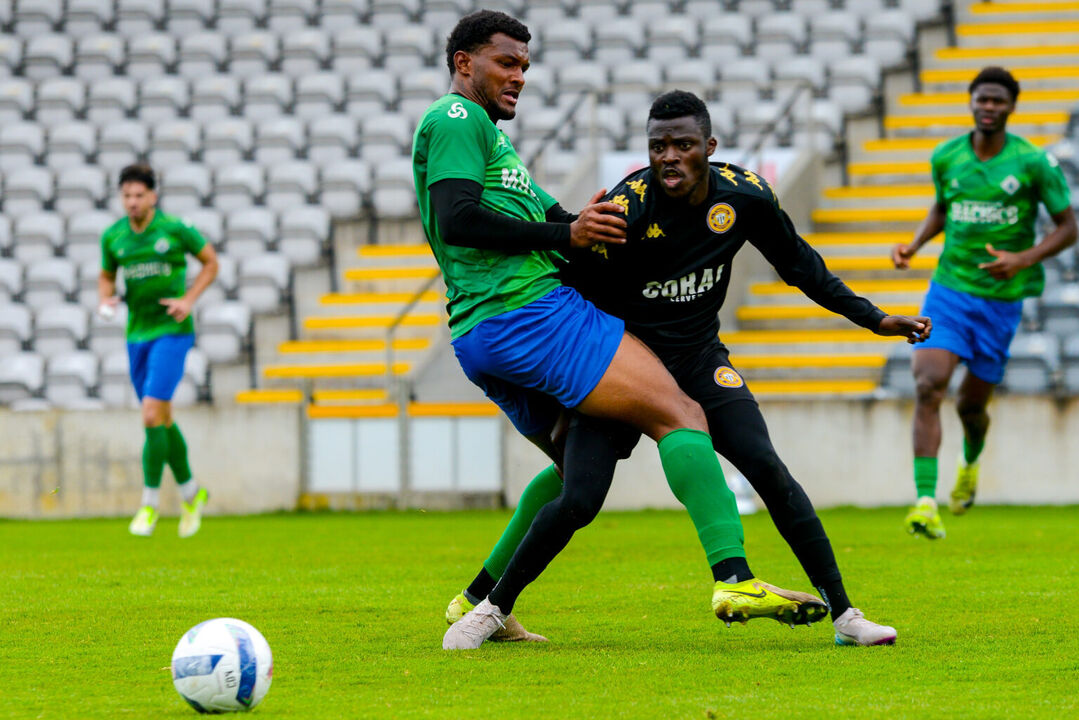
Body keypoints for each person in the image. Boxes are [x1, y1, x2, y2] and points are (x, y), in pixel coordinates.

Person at [444, 90, 931, 650]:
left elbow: (802, 267)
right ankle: (490, 608)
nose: (669, 156)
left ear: (710, 147)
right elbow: (570, 275)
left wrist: (874, 319)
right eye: (658, 146)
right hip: (622, 368)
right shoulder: (628, 209)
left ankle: (846, 616)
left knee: (768, 469)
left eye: (682, 145)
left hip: (700, 361)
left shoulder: (745, 198)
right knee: (578, 496)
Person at [413, 11, 829, 649]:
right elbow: (458, 217)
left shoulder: (488, 140)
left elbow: (549, 220)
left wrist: (584, 222)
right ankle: (734, 576)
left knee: (572, 473)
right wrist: (566, 233)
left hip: (480, 334)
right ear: (464, 63)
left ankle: (478, 603)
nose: (519, 75)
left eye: (525, 64)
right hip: (530, 313)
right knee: (682, 413)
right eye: (506, 62)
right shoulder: (456, 119)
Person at [892, 67, 1076, 540]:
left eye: (998, 100)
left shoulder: (1032, 163)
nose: (988, 107)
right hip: (949, 290)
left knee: (972, 407)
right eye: (982, 99)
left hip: (1000, 302)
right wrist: (914, 246)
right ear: (971, 102)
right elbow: (942, 206)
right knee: (929, 383)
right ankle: (925, 502)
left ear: (1011, 106)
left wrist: (1023, 258)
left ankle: (970, 458)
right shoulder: (947, 156)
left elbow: (1068, 226)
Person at [99, 164, 219, 538]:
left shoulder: (174, 229)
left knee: (150, 414)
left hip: (172, 331)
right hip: (137, 335)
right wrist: (105, 300)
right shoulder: (113, 237)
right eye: (127, 196)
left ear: (153, 196)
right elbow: (106, 275)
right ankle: (191, 493)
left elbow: (211, 262)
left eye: (139, 195)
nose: (132, 202)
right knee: (162, 418)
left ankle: (148, 505)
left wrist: (188, 299)